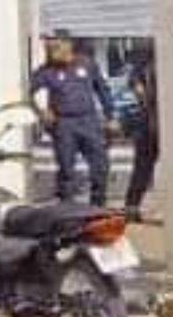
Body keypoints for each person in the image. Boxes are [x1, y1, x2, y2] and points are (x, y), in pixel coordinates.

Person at [31, 30, 115, 205]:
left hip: (89, 121)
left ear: (68, 44)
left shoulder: (87, 64)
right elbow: (27, 91)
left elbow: (103, 90)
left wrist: (110, 116)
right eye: (48, 46)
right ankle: (67, 212)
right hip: (63, 125)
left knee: (100, 166)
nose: (50, 48)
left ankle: (97, 208)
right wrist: (41, 111)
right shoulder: (46, 71)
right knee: (67, 171)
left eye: (55, 44)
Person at [124, 42, 159, 224]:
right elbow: (135, 81)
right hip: (149, 119)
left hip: (172, 121)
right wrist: (142, 93)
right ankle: (132, 207)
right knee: (142, 167)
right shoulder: (145, 61)